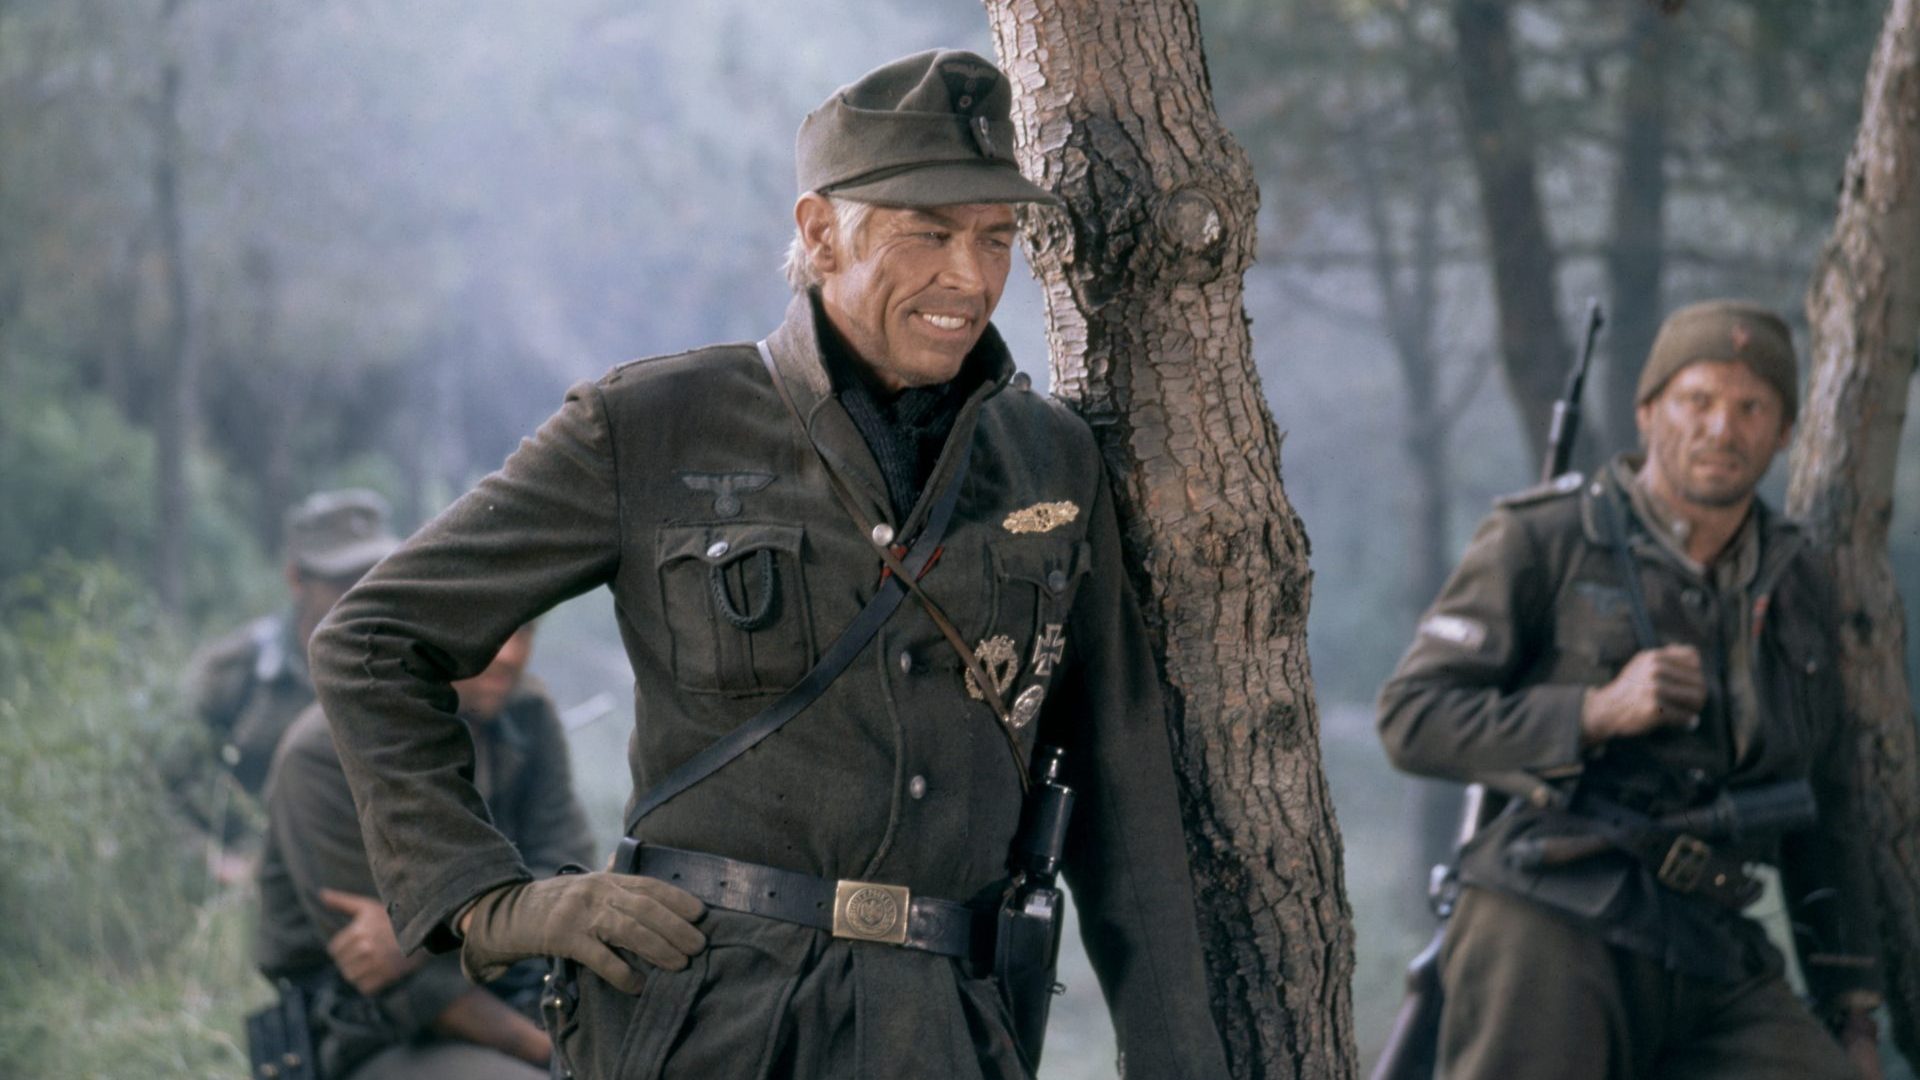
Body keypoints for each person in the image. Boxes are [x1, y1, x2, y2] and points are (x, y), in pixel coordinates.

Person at [310, 48, 1229, 1079]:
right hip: (704, 1020)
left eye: (995, 237)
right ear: (819, 231)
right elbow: (374, 640)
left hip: (947, 1030)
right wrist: (492, 900)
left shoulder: (1052, 460)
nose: (968, 278)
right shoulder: (653, 427)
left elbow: (1124, 791)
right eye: (927, 233)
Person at [1378, 300, 1883, 1079]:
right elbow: (1412, 718)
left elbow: (1829, 804)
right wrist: (1593, 712)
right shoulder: (1544, 539)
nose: (1722, 429)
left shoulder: (1797, 581)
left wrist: (1851, 1005)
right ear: (1649, 414)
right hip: (1551, 916)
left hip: (1712, 939)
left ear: (1784, 433)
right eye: (1699, 401)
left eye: (1752, 408)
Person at [256, 623, 595, 1079]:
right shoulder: (324, 753)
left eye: (526, 630)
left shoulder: (526, 712)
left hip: (523, 990)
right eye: (492, 631)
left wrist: (437, 932)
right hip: (370, 1031)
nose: (512, 655)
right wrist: (552, 1057)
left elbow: (568, 884)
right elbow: (393, 976)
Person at [176, 489, 400, 879]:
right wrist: (211, 860)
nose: (363, 595)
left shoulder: (408, 671)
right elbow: (165, 789)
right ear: (297, 579)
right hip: (257, 890)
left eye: (373, 576)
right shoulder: (236, 672)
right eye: (342, 581)